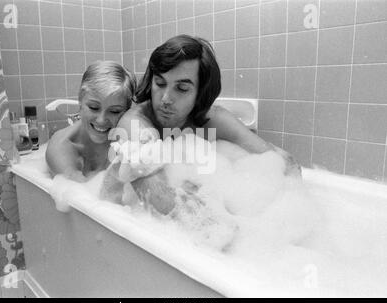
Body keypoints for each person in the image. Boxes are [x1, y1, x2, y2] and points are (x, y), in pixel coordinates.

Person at [100, 35, 300, 214]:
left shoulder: (213, 119)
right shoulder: (135, 124)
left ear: (200, 93)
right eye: (160, 84)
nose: (166, 99)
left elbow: (285, 163)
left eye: (182, 88)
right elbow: (163, 203)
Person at [45, 60, 136, 182]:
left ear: (126, 111)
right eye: (94, 108)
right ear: (80, 102)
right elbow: (81, 195)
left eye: (114, 111)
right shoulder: (61, 147)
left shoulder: (131, 141)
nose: (101, 120)